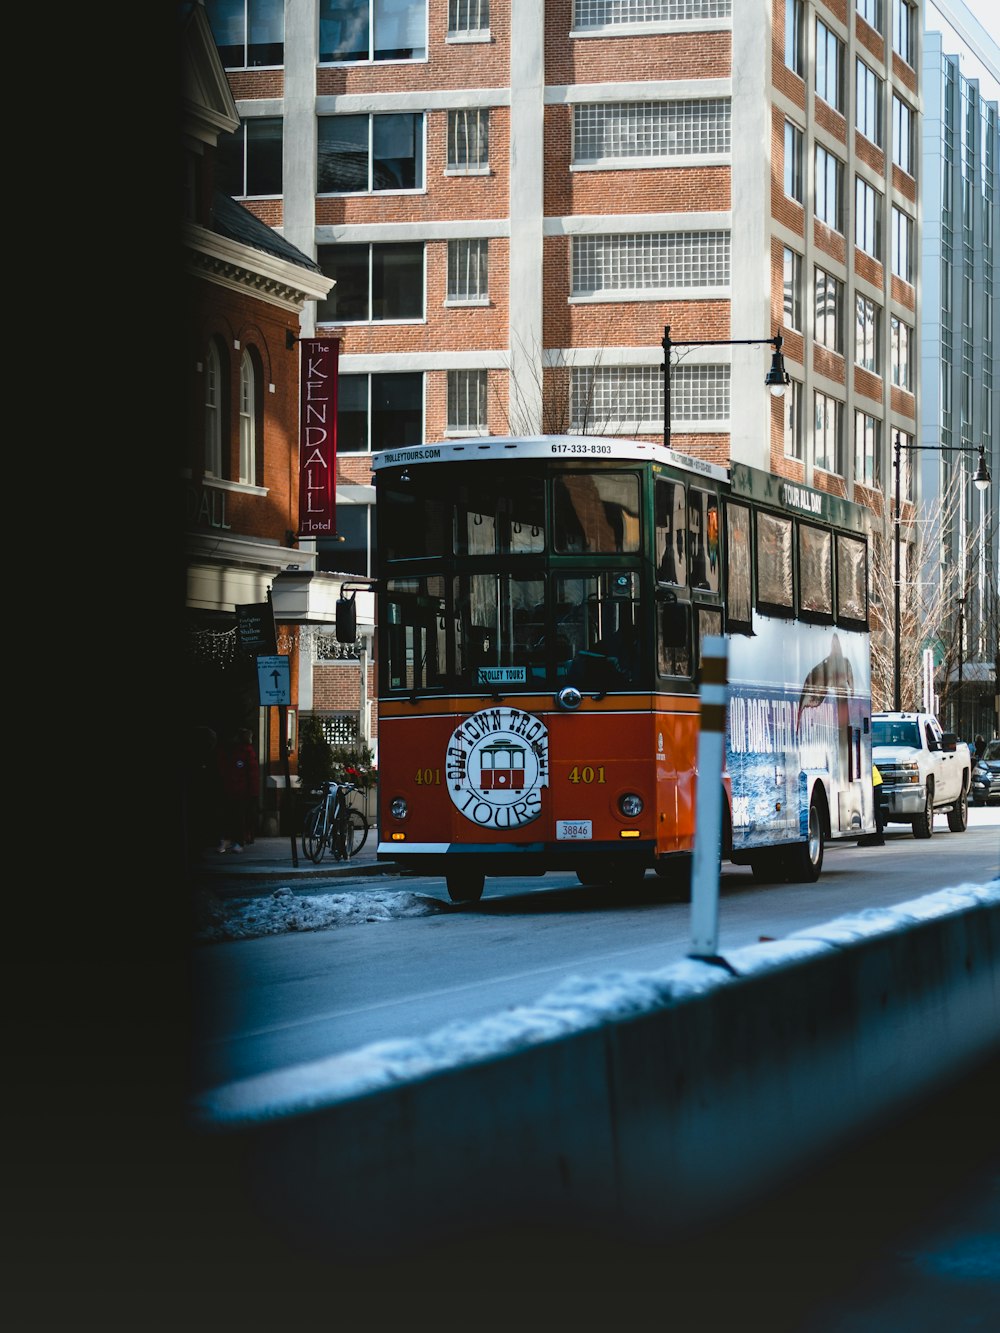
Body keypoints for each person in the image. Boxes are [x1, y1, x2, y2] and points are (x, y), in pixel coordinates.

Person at [216, 727, 260, 853]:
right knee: (233, 817)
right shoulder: (240, 752)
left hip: (239, 791)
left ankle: (235, 841)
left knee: (237, 817)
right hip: (235, 789)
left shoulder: (244, 752)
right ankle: (232, 841)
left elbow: (251, 773)